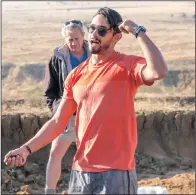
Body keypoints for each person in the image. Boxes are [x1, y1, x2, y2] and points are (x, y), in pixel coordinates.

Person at [4, 7, 168, 194]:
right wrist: (26, 149)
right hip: (81, 172)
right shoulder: (76, 75)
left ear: (116, 36)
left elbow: (159, 71)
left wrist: (138, 31)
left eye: (102, 31)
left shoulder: (127, 66)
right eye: (91, 28)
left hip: (117, 173)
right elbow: (58, 122)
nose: (94, 34)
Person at [43, 19, 90, 194]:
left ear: (83, 36)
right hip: (68, 117)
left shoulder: (96, 53)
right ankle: (50, 191)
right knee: (55, 153)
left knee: (91, 155)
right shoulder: (58, 58)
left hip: (93, 115)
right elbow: (49, 91)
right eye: (69, 39)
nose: (73, 42)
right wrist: (58, 112)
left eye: (76, 38)